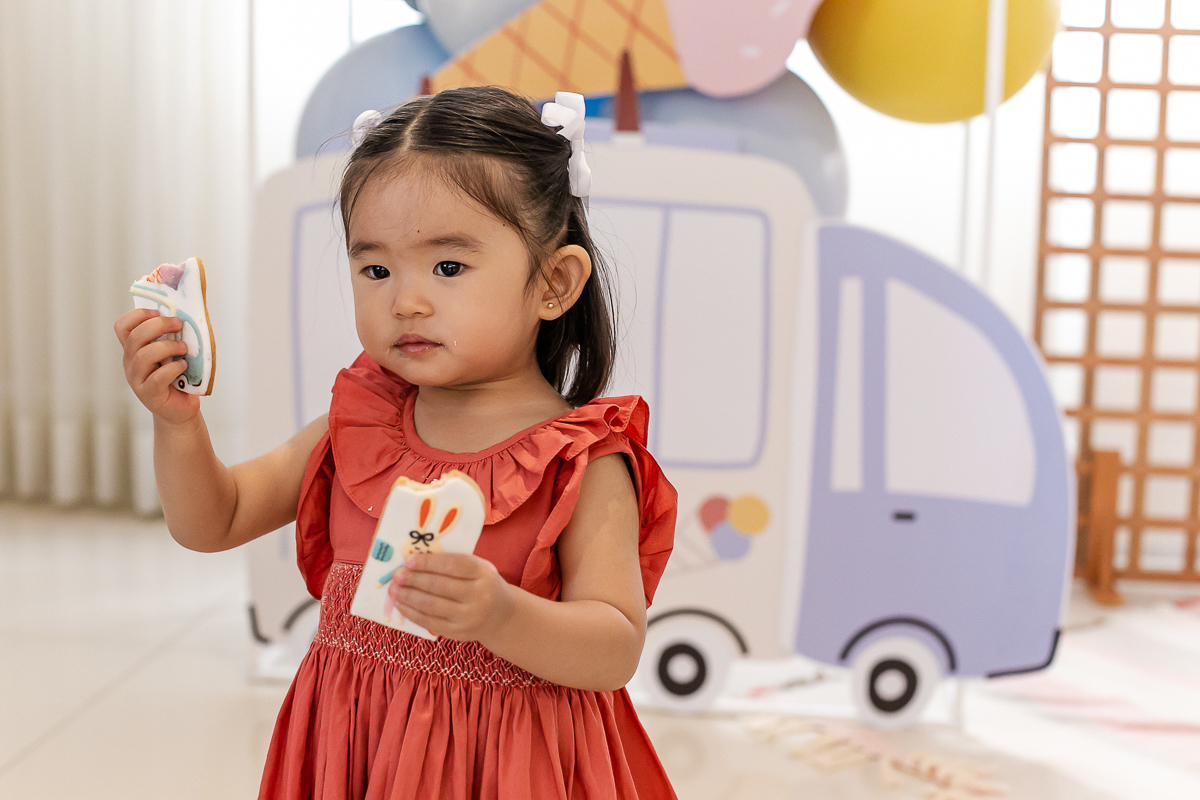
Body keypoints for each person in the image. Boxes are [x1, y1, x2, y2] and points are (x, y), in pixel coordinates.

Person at [114, 85, 678, 799]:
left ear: (553, 283)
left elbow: (615, 647)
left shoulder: (582, 460)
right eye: (375, 270)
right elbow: (214, 520)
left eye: (448, 267)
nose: (405, 301)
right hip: (357, 747)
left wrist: (502, 614)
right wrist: (177, 423)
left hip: (506, 767)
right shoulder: (364, 426)